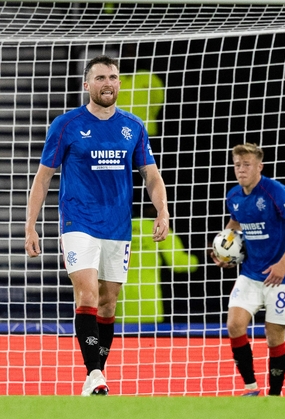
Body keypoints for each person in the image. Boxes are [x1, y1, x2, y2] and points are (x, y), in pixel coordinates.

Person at [24, 54, 170, 396]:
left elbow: (151, 176)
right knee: (87, 294)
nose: (108, 83)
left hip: (118, 226)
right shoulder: (67, 124)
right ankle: (94, 373)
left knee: (108, 302)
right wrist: (31, 225)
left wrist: (162, 212)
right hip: (79, 222)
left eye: (113, 77)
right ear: (86, 84)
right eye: (101, 78)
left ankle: (95, 376)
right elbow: (43, 177)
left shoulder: (133, 126)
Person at [210, 143, 285, 397]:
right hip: (251, 274)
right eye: (237, 165)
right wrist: (223, 250)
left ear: (259, 167)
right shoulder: (234, 196)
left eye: (247, 165)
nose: (241, 169)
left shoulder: (275, 192)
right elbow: (235, 223)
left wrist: (283, 263)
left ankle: (274, 397)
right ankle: (251, 388)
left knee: (274, 337)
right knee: (234, 325)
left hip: (282, 278)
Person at [115, 204, 198, 324]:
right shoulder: (159, 229)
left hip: (120, 304)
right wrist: (201, 259)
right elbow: (178, 263)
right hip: (149, 304)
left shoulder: (118, 230)